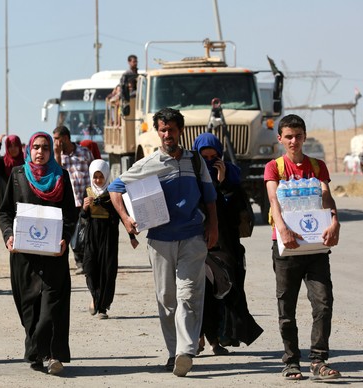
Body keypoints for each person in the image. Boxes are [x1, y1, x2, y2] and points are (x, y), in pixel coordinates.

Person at [108, 108, 218, 377]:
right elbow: (114, 188)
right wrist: (125, 218)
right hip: (160, 240)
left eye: (172, 129)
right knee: (167, 299)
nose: (167, 134)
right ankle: (173, 353)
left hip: (192, 236)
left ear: (180, 130)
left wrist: (213, 226)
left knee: (189, 294)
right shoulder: (148, 164)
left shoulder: (195, 162)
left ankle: (185, 351)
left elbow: (210, 196)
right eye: (163, 130)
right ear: (157, 132)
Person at [264, 114, 341, 381]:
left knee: (323, 303)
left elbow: (327, 197)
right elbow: (273, 198)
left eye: (298, 136)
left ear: (305, 136)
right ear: (280, 139)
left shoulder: (317, 167)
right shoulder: (275, 167)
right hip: (286, 247)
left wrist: (334, 221)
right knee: (287, 307)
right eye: (288, 136)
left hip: (315, 248)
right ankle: (291, 361)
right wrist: (282, 228)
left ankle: (318, 360)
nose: (294, 141)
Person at [0, 132, 77, 375]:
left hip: (53, 255)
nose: (40, 152)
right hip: (25, 256)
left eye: (44, 147)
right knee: (29, 307)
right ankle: (37, 351)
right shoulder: (18, 176)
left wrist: (65, 238)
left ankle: (53, 355)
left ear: (51, 150)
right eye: (36, 147)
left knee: (53, 306)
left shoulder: (61, 177)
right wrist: (8, 235)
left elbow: (71, 215)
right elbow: (5, 212)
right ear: (29, 150)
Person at [192, 133, 263, 356]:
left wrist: (222, 185)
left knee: (227, 291)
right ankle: (202, 338)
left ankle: (220, 338)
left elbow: (237, 213)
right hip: (200, 244)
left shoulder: (232, 174)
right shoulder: (192, 175)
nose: (210, 162)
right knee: (200, 293)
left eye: (214, 157)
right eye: (205, 157)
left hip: (227, 244)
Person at [81, 159, 138, 320]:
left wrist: (132, 237)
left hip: (109, 235)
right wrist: (85, 208)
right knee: (90, 268)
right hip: (92, 235)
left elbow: (123, 214)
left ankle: (103, 307)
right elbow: (83, 218)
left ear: (106, 175)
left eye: (101, 177)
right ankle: (94, 296)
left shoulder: (113, 193)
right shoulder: (88, 192)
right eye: (95, 177)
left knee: (107, 270)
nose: (98, 180)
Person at [52, 125, 94, 275]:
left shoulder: (84, 153)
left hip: (85, 200)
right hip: (68, 201)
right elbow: (57, 175)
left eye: (57, 139)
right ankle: (79, 261)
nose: (55, 142)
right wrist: (57, 155)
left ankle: (86, 260)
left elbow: (94, 173)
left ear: (65, 138)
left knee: (85, 233)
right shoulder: (56, 156)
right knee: (73, 234)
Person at [0, 133, 25, 209]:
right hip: (5, 204)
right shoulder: (3, 162)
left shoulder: (26, 162)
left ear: (19, 146)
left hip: (23, 203)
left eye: (15, 145)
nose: (13, 148)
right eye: (10, 146)